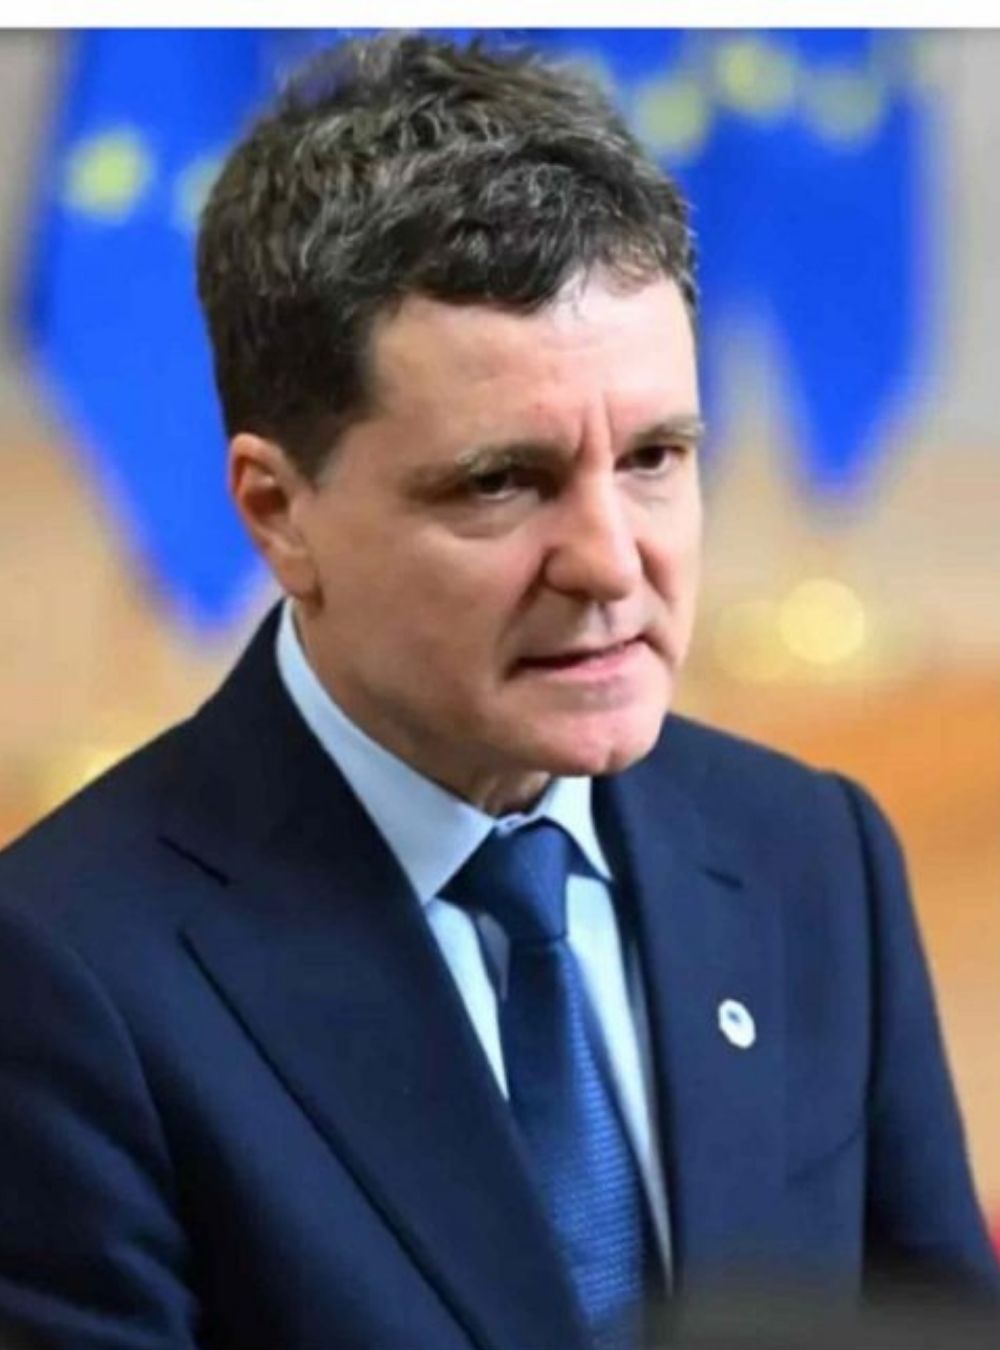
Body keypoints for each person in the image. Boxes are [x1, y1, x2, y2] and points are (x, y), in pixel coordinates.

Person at [0, 31, 996, 1350]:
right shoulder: (65, 976)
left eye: (654, 457)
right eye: (501, 481)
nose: (611, 562)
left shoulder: (813, 854)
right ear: (277, 511)